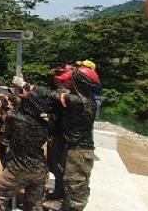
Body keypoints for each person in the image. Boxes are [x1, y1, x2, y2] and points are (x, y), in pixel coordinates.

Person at [0, 88, 53, 211]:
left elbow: (3, 117)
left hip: (19, 168)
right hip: (39, 169)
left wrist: (3, 101)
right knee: (34, 204)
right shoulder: (46, 126)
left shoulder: (15, 119)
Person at [52, 66, 99, 211]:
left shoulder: (78, 101)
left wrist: (26, 86)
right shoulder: (83, 99)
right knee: (71, 184)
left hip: (79, 151)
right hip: (77, 149)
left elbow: (52, 94)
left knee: (75, 189)